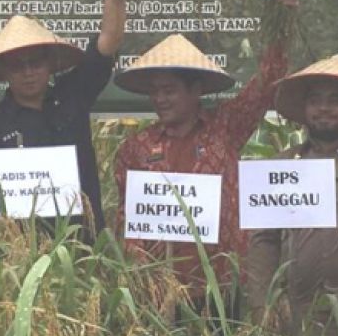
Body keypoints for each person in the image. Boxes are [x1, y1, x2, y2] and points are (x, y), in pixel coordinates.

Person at [113, 34, 287, 310]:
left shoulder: (225, 129)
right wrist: (141, 271)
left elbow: (266, 84)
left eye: (169, 91)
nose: (160, 99)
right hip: (162, 288)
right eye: (155, 91)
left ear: (195, 90)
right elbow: (128, 217)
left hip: (220, 284)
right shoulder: (136, 148)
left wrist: (280, 24)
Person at [243, 55, 338, 336]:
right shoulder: (283, 165)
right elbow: (263, 242)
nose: (324, 108)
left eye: (335, 100)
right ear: (305, 108)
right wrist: (262, 307)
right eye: (315, 100)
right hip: (299, 315)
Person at [0, 0, 126, 233]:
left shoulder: (74, 94)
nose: (28, 72)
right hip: (23, 255)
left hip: (85, 247)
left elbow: (109, 38)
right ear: (5, 72)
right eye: (17, 66)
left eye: (35, 63)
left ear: (50, 63)